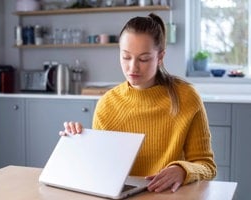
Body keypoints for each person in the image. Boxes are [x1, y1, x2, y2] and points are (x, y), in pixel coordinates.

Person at [60, 13, 216, 193]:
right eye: (126, 57)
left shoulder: (187, 97)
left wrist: (183, 170)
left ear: (160, 57)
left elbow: (206, 165)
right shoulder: (107, 104)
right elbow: (100, 170)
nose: (133, 67)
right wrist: (76, 144)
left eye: (143, 59)